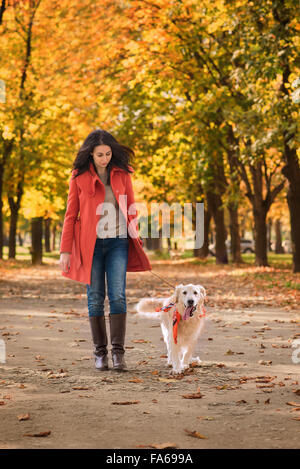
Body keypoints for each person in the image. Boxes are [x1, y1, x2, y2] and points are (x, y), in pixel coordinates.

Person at [59, 129, 152, 372]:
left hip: (118, 241)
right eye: (100, 154)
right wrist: (65, 250)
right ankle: (100, 354)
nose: (105, 158)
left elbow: (131, 206)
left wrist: (135, 231)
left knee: (118, 295)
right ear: (91, 153)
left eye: (108, 153)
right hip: (90, 245)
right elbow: (70, 215)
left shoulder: (122, 174)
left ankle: (118, 354)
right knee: (95, 298)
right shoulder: (78, 177)